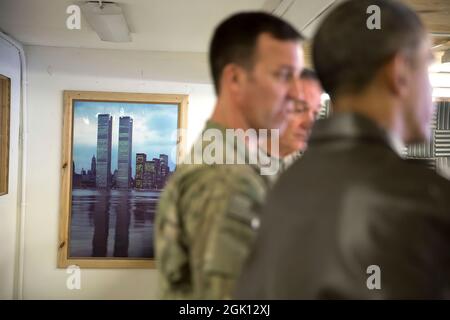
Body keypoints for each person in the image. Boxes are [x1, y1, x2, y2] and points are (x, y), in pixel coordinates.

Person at [236, 0, 450, 299]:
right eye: (427, 64)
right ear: (399, 72)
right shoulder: (420, 199)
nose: (429, 90)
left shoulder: (286, 186)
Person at [155, 12, 304, 299]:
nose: (296, 94)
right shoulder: (226, 179)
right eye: (284, 76)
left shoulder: (238, 164)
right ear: (235, 79)